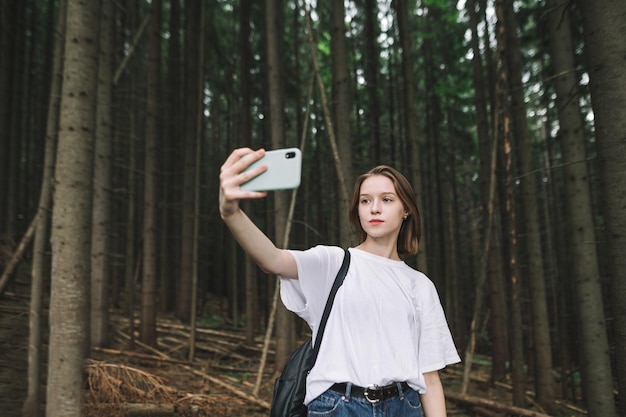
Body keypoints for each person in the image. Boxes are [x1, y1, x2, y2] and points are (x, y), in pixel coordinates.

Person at [219, 148, 461, 417]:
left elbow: (430, 378)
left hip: (404, 406)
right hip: (339, 406)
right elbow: (272, 259)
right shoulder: (334, 263)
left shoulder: (420, 285)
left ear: (406, 210)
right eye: (365, 201)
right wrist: (230, 212)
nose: (375, 208)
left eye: (387, 199)